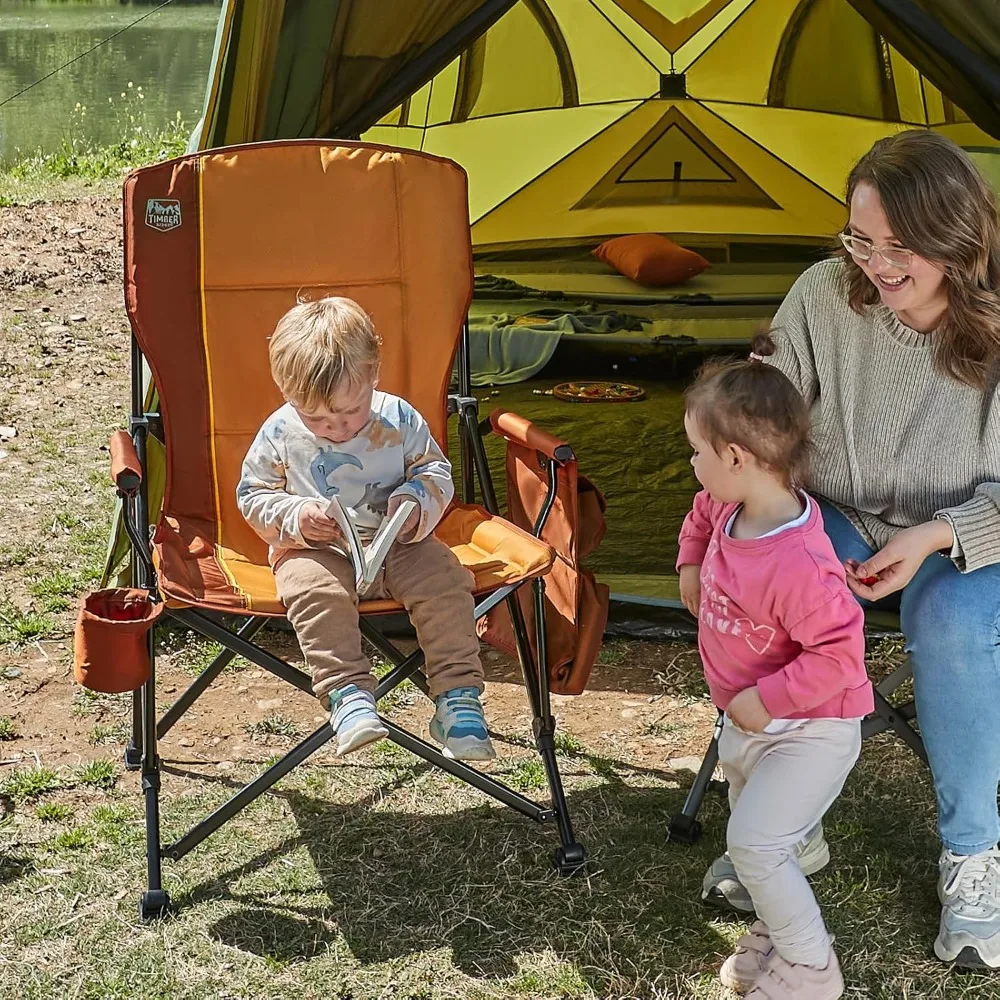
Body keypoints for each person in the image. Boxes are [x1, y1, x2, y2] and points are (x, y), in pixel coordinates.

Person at [700, 129, 1000, 970]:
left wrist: (938, 536)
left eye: (898, 247)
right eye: (860, 240)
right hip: (834, 512)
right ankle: (788, 827)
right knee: (780, 579)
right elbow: (764, 416)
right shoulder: (825, 294)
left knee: (946, 620)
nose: (876, 264)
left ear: (956, 238)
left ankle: (974, 857)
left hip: (966, 531)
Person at [678, 332, 873, 999]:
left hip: (810, 728)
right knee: (764, 842)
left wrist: (770, 698)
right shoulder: (732, 501)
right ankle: (773, 929)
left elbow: (841, 656)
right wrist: (691, 561)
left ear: (735, 456)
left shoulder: (799, 565)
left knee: (756, 844)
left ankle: (811, 966)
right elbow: (701, 513)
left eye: (697, 453)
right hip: (751, 722)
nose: (693, 466)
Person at [237, 296, 495, 761]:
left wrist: (416, 503)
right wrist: (297, 518)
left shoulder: (397, 419)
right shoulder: (279, 432)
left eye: (350, 413)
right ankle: (348, 695)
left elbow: (434, 472)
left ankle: (458, 697)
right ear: (284, 391)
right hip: (317, 549)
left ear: (374, 374)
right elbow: (252, 496)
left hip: (398, 543)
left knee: (446, 580)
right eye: (314, 417)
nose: (335, 428)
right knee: (315, 593)